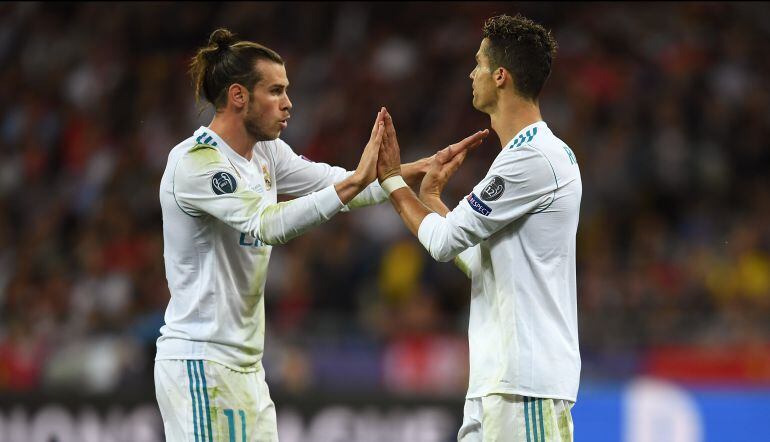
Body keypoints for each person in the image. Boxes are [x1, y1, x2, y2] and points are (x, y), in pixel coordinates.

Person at [153, 29, 480, 441]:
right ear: (239, 96)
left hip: (246, 367)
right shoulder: (197, 163)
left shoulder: (266, 152)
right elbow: (267, 224)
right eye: (276, 91)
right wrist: (356, 181)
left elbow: (341, 184)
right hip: (201, 364)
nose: (289, 103)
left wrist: (413, 170)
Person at [376, 14, 581, 442]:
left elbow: (443, 242)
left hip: (527, 388)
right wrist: (430, 200)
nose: (472, 74)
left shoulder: (534, 158)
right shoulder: (522, 157)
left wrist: (392, 181)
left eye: (478, 64)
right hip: (495, 384)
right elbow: (480, 260)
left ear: (500, 76)